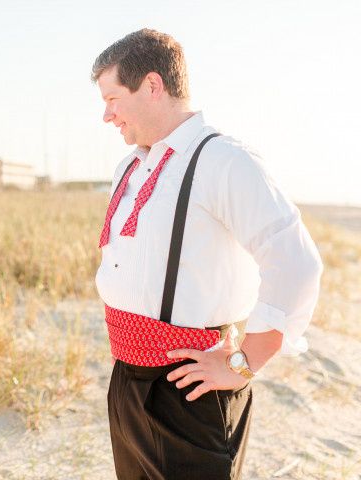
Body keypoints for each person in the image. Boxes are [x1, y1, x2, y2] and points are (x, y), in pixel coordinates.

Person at [92, 29, 323, 479]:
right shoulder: (132, 164)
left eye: (113, 98)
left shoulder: (225, 160)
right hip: (128, 378)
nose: (106, 115)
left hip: (191, 388)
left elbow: (296, 263)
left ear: (153, 86)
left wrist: (244, 363)